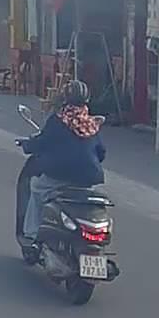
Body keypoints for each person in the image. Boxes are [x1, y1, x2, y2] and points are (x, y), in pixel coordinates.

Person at [18, 80, 107, 251]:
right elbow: (101, 153)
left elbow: (42, 142)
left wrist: (27, 145)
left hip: (59, 176)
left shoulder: (59, 120)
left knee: (36, 189)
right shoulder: (90, 123)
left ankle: (32, 235)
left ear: (65, 98)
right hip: (88, 180)